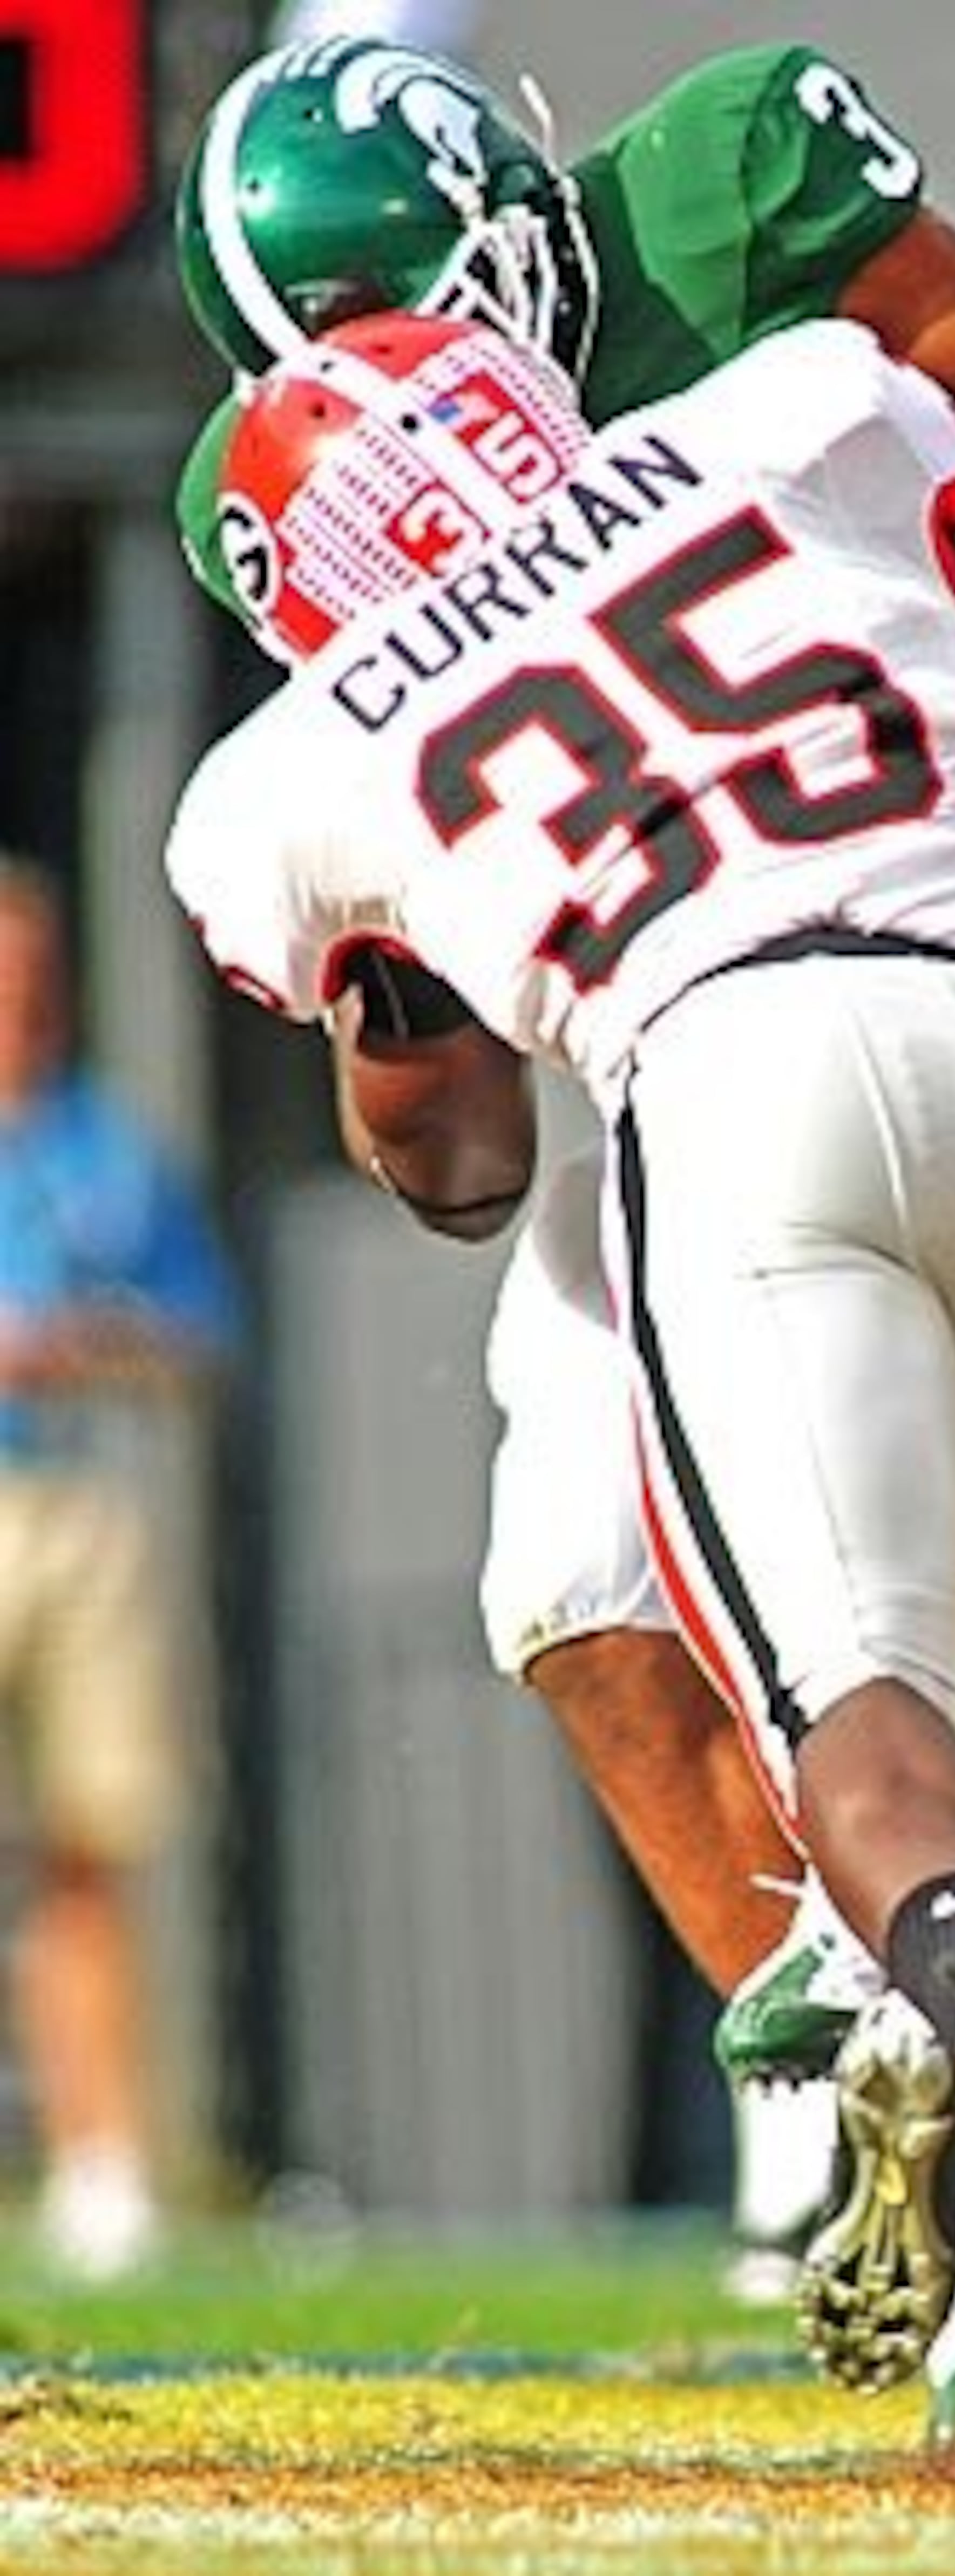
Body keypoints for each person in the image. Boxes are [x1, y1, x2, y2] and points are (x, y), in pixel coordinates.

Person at [170, 29, 955, 2439]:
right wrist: (918, 525)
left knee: (831, 1674)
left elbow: (443, 1167)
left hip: (746, 1064)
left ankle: (922, 2018)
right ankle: (926, 2115)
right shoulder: (797, 423)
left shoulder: (751, 322)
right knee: (677, 1607)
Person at [0, 859, 239, 2276]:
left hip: (81, 1503)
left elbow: (200, 1338)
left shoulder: (107, 1148)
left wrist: (88, 1342)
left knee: (91, 1842)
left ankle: (105, 2170)